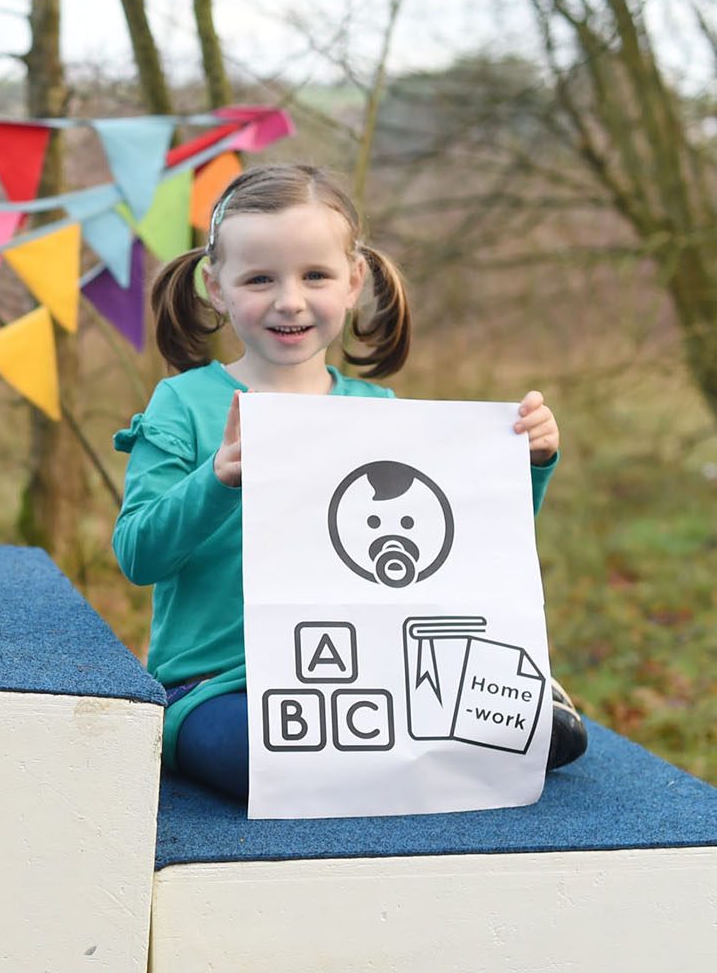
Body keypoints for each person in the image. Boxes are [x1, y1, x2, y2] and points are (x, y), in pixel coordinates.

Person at [111, 163, 587, 803]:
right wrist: (218, 479)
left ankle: (499, 703)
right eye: (259, 278)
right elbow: (139, 554)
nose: (289, 300)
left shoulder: (378, 408)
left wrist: (529, 464)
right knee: (266, 762)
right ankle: (444, 738)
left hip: (373, 676)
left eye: (315, 275)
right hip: (217, 687)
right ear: (215, 287)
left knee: (528, 742)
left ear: (354, 281)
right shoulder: (183, 404)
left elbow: (464, 548)